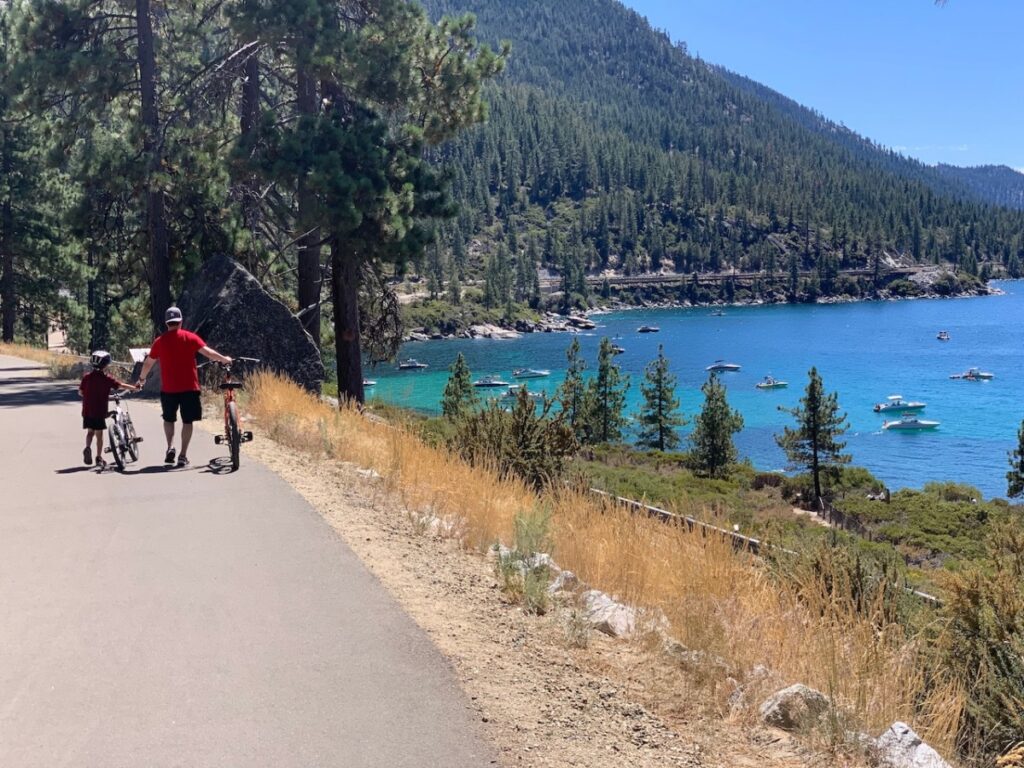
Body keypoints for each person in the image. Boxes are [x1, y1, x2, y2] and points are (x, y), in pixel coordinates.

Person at [135, 306, 232, 467]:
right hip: (189, 388)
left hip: (169, 389)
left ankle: (170, 447)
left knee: (168, 419)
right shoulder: (190, 337)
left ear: (167, 323)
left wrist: (141, 379)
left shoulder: (159, 342)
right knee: (187, 421)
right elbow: (208, 353)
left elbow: (148, 363)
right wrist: (224, 359)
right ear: (180, 322)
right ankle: (182, 455)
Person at [80, 350, 139, 468]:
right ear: (106, 365)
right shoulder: (106, 379)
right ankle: (98, 457)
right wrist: (134, 388)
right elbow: (120, 385)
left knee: (90, 432)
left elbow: (81, 392)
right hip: (99, 412)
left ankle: (87, 447)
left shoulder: (87, 377)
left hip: (87, 410)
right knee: (99, 435)